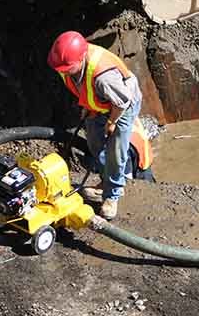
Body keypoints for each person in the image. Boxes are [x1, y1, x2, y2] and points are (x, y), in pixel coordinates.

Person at [47, 31, 151, 220]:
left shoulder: (104, 77)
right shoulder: (67, 66)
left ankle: (113, 195)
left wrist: (112, 122)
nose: (61, 71)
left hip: (123, 103)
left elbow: (121, 102)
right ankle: (106, 182)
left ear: (80, 59)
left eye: (66, 67)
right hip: (100, 102)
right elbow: (81, 87)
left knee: (116, 150)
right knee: (95, 141)